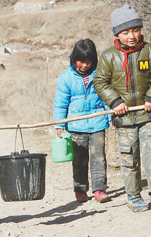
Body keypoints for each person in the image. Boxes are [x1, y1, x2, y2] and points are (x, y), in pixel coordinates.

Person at [94, 5, 151, 212]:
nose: (131, 36)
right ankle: (134, 196)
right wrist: (115, 102)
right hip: (124, 118)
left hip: (149, 115)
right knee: (129, 157)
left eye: (135, 30)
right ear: (117, 34)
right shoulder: (108, 57)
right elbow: (100, 82)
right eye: (125, 32)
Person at [53, 38, 111, 203]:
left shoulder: (100, 74)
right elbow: (60, 104)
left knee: (98, 158)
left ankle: (100, 190)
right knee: (79, 160)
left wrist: (110, 117)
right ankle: (80, 190)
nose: (85, 65)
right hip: (76, 125)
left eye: (89, 61)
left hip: (97, 122)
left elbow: (107, 97)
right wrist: (59, 124)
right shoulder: (66, 77)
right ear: (74, 59)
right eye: (81, 61)